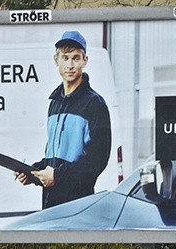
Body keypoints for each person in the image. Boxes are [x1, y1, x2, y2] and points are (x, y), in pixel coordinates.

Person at [15, 30, 112, 209]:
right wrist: (32, 173)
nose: (70, 65)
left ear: (85, 61)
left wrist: (58, 177)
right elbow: (54, 159)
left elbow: (97, 160)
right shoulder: (54, 104)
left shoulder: (95, 104)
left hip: (78, 205)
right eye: (65, 58)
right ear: (56, 60)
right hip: (50, 204)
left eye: (76, 58)